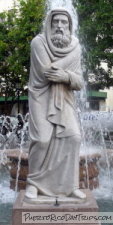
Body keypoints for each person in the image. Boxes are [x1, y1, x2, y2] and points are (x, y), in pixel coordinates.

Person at [25, 8, 86, 200]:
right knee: (42, 139)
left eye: (64, 22)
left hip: (65, 98)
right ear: (49, 24)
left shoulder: (76, 46)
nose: (60, 26)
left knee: (74, 137)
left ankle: (70, 186)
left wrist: (67, 76)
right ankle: (34, 183)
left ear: (70, 25)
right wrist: (68, 72)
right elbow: (46, 72)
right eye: (56, 22)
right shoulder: (38, 42)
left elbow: (79, 82)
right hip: (41, 97)